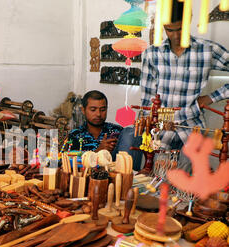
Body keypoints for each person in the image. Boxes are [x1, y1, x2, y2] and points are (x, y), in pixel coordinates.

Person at [140, 0, 228, 157]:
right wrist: (148, 128)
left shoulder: (207, 50)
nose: (175, 36)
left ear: (189, 19)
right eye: (169, 30)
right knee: (155, 175)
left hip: (192, 124)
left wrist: (210, 98)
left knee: (193, 175)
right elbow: (147, 99)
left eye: (180, 29)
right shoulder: (152, 54)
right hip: (161, 128)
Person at [67, 90, 122, 155]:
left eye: (102, 110)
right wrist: (98, 151)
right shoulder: (75, 135)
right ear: (83, 110)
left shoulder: (117, 131)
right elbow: (71, 160)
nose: (98, 114)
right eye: (93, 110)